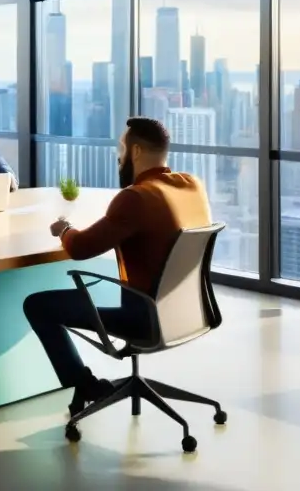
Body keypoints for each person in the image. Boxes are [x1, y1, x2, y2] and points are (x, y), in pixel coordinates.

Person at [22, 117, 211, 418]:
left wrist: (64, 228)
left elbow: (80, 248)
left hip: (145, 318)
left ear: (135, 152)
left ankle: (85, 386)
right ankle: (85, 385)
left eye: (122, 149)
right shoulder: (193, 186)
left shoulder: (136, 198)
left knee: (37, 305)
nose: (119, 157)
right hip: (187, 312)